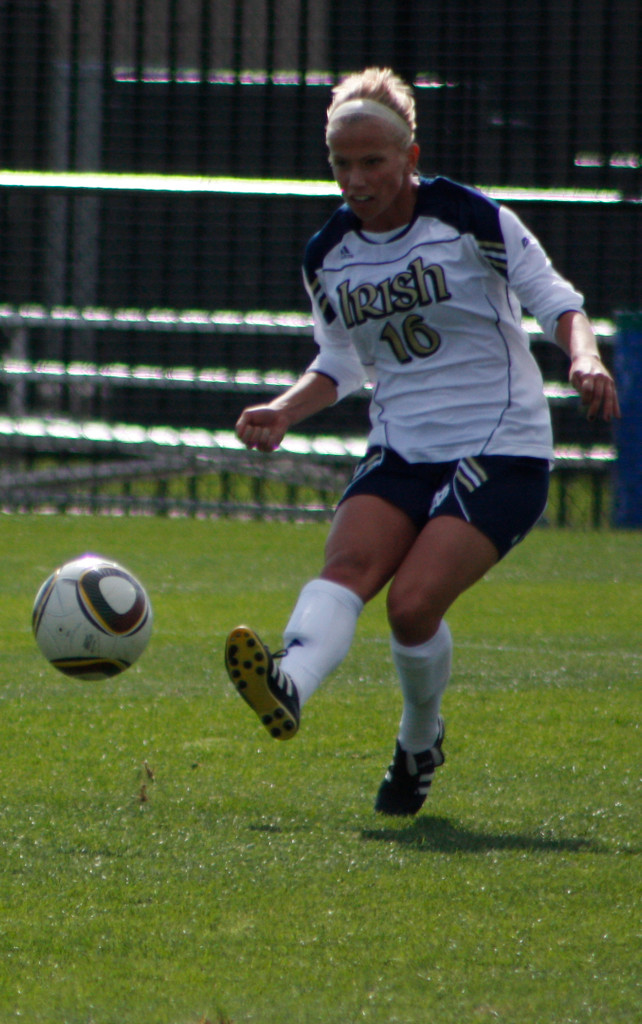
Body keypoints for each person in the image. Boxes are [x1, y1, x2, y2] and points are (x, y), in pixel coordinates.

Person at [223, 67, 620, 816]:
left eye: (373, 161)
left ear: (411, 155)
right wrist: (283, 409)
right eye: (342, 164)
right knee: (347, 565)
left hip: (501, 446)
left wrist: (585, 356)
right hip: (402, 443)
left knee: (410, 607)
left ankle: (417, 742)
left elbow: (558, 301)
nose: (357, 178)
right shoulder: (328, 254)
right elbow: (341, 363)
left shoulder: (470, 217)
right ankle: (289, 686)